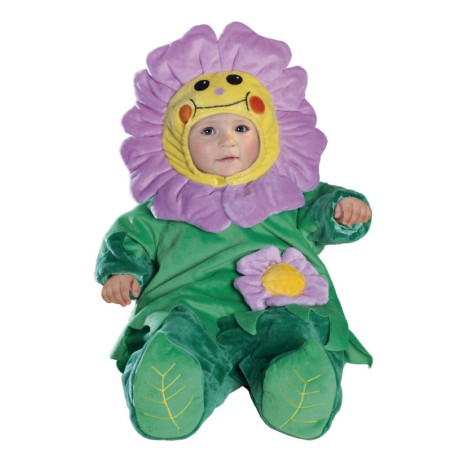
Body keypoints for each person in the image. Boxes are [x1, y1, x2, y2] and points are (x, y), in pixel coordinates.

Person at [95, 22, 372, 441]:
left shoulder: (288, 192)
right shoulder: (166, 206)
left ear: (267, 133)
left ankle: (297, 383)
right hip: (189, 307)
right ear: (177, 141)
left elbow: (324, 210)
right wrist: (123, 272)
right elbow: (129, 238)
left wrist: (344, 211)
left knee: (298, 333)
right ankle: (171, 383)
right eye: (208, 131)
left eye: (241, 129)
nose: (227, 142)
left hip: (280, 307)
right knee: (172, 335)